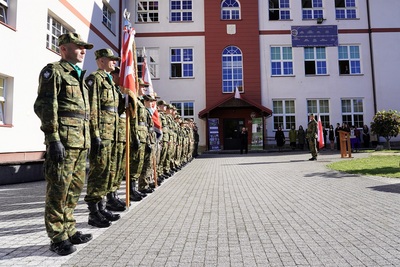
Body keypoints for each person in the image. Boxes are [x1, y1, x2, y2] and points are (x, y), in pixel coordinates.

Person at [33, 33, 93, 256]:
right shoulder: (54, 72)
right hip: (64, 142)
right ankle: (57, 237)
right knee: (58, 190)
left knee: (74, 190)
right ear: (64, 49)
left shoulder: (79, 76)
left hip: (80, 142)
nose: (83, 51)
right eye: (79, 47)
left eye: (84, 47)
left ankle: (69, 229)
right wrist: (53, 138)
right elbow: (45, 106)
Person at [84, 48, 121, 228]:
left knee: (107, 170)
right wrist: (95, 134)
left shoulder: (110, 82)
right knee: (98, 171)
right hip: (102, 134)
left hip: (112, 133)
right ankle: (93, 212)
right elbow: (93, 109)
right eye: (111, 59)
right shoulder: (95, 79)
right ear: (100, 61)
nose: (114, 62)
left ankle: (102, 207)